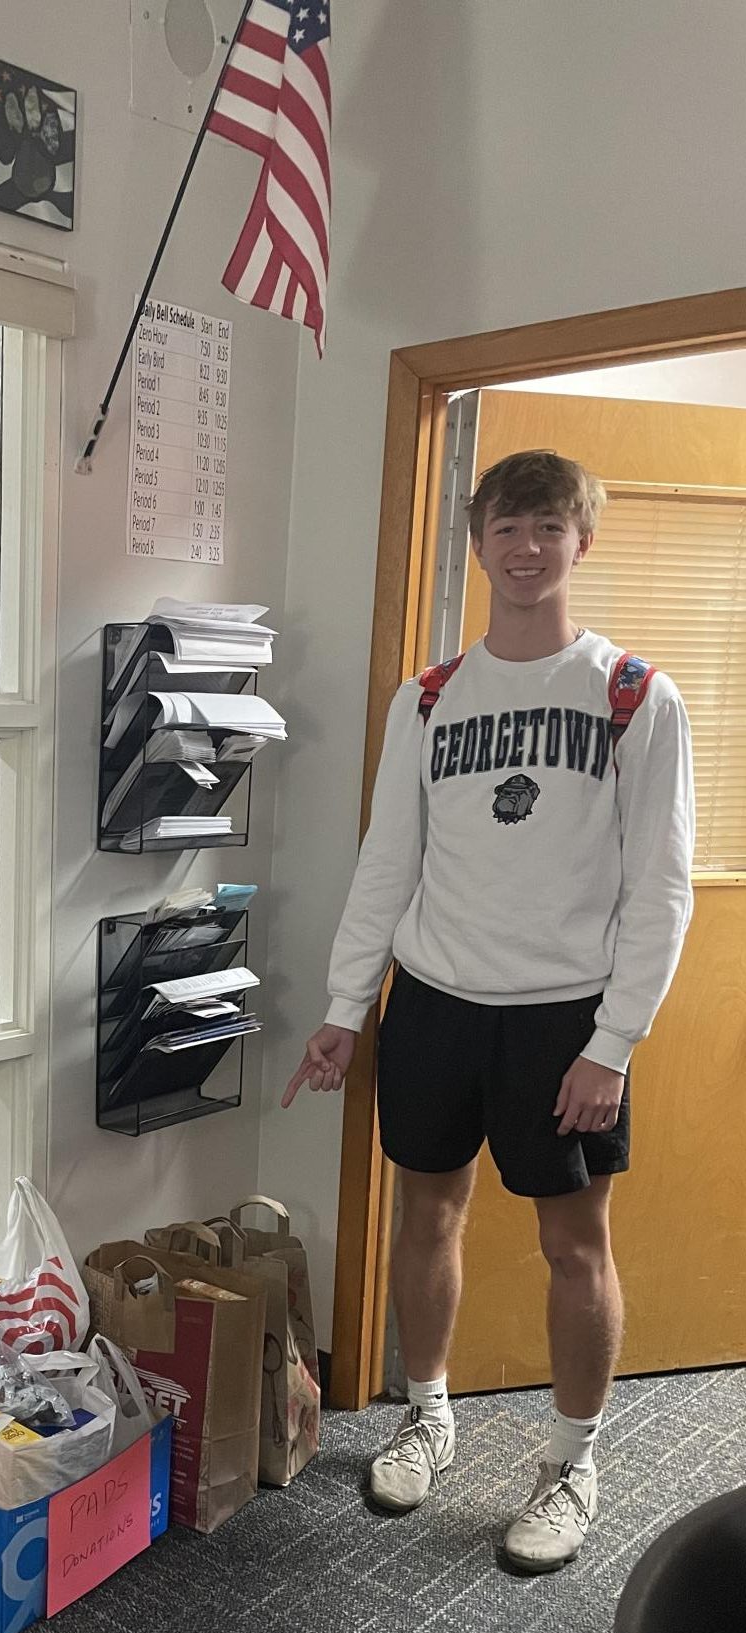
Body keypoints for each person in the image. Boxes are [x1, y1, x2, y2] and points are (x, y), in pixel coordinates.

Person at [283, 448, 694, 1573]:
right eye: (507, 528)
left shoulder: (631, 697)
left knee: (574, 1244)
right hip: (433, 1007)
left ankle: (570, 1461)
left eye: (548, 528)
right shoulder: (426, 697)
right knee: (426, 1217)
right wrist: (342, 1002)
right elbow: (386, 861)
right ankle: (426, 1410)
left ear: (579, 542)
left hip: (564, 1023)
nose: (525, 549)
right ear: (478, 545)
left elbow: (660, 887)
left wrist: (613, 1045)